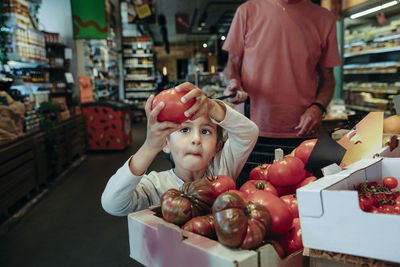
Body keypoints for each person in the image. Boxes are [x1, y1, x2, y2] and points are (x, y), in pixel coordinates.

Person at [101, 82, 259, 216]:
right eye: (184, 130)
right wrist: (149, 147)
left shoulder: (223, 167)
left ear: (217, 147)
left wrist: (211, 106)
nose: (196, 139)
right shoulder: (154, 186)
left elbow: (249, 133)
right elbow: (112, 203)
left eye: (205, 131)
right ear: (166, 144)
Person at [223, 0, 341, 146]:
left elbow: (328, 79)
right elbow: (232, 63)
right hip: (250, 129)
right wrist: (233, 82)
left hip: (302, 130)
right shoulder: (247, 11)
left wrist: (318, 107)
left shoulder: (325, 19)